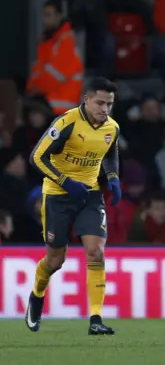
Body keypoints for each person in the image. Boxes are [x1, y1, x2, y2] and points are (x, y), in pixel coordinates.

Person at [26, 77, 122, 336]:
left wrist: (112, 178)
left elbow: (110, 154)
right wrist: (65, 181)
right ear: (87, 99)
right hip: (58, 195)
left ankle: (95, 319)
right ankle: (37, 294)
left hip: (90, 195)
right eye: (100, 102)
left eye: (109, 104)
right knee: (55, 260)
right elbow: (37, 157)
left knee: (96, 251)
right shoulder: (67, 122)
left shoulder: (112, 127)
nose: (105, 109)